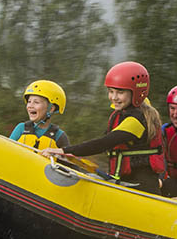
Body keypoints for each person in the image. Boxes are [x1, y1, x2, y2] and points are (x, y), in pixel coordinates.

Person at [41, 61, 165, 194]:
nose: (114, 97)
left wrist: (62, 150)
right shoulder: (122, 114)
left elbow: (102, 143)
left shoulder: (137, 120)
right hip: (126, 182)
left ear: (136, 93)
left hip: (141, 187)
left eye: (120, 92)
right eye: (111, 91)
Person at [9, 79, 69, 150]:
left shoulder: (59, 136)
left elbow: (67, 160)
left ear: (51, 109)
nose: (30, 106)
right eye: (29, 101)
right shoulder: (21, 128)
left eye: (36, 102)